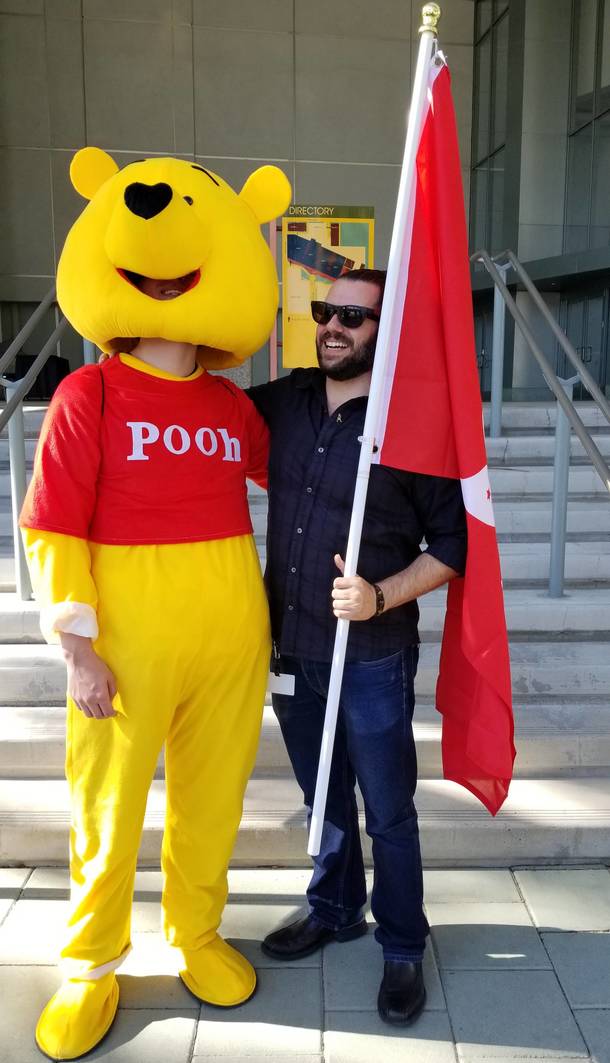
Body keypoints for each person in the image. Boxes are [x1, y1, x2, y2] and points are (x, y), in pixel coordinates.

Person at [19, 147, 290, 1061]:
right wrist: (77, 644)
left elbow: (296, 478)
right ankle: (92, 960)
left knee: (211, 801)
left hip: (229, 634)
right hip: (126, 639)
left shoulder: (231, 405)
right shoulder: (86, 391)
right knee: (109, 806)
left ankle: (196, 932)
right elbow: (52, 523)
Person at [247, 268, 467, 1026]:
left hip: (373, 652)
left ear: (387, 330)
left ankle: (403, 942)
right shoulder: (287, 400)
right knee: (323, 796)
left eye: (355, 316)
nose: (334, 326)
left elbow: (452, 544)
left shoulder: (413, 424)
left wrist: (380, 594)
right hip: (293, 646)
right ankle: (334, 905)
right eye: (324, 311)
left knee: (387, 807)